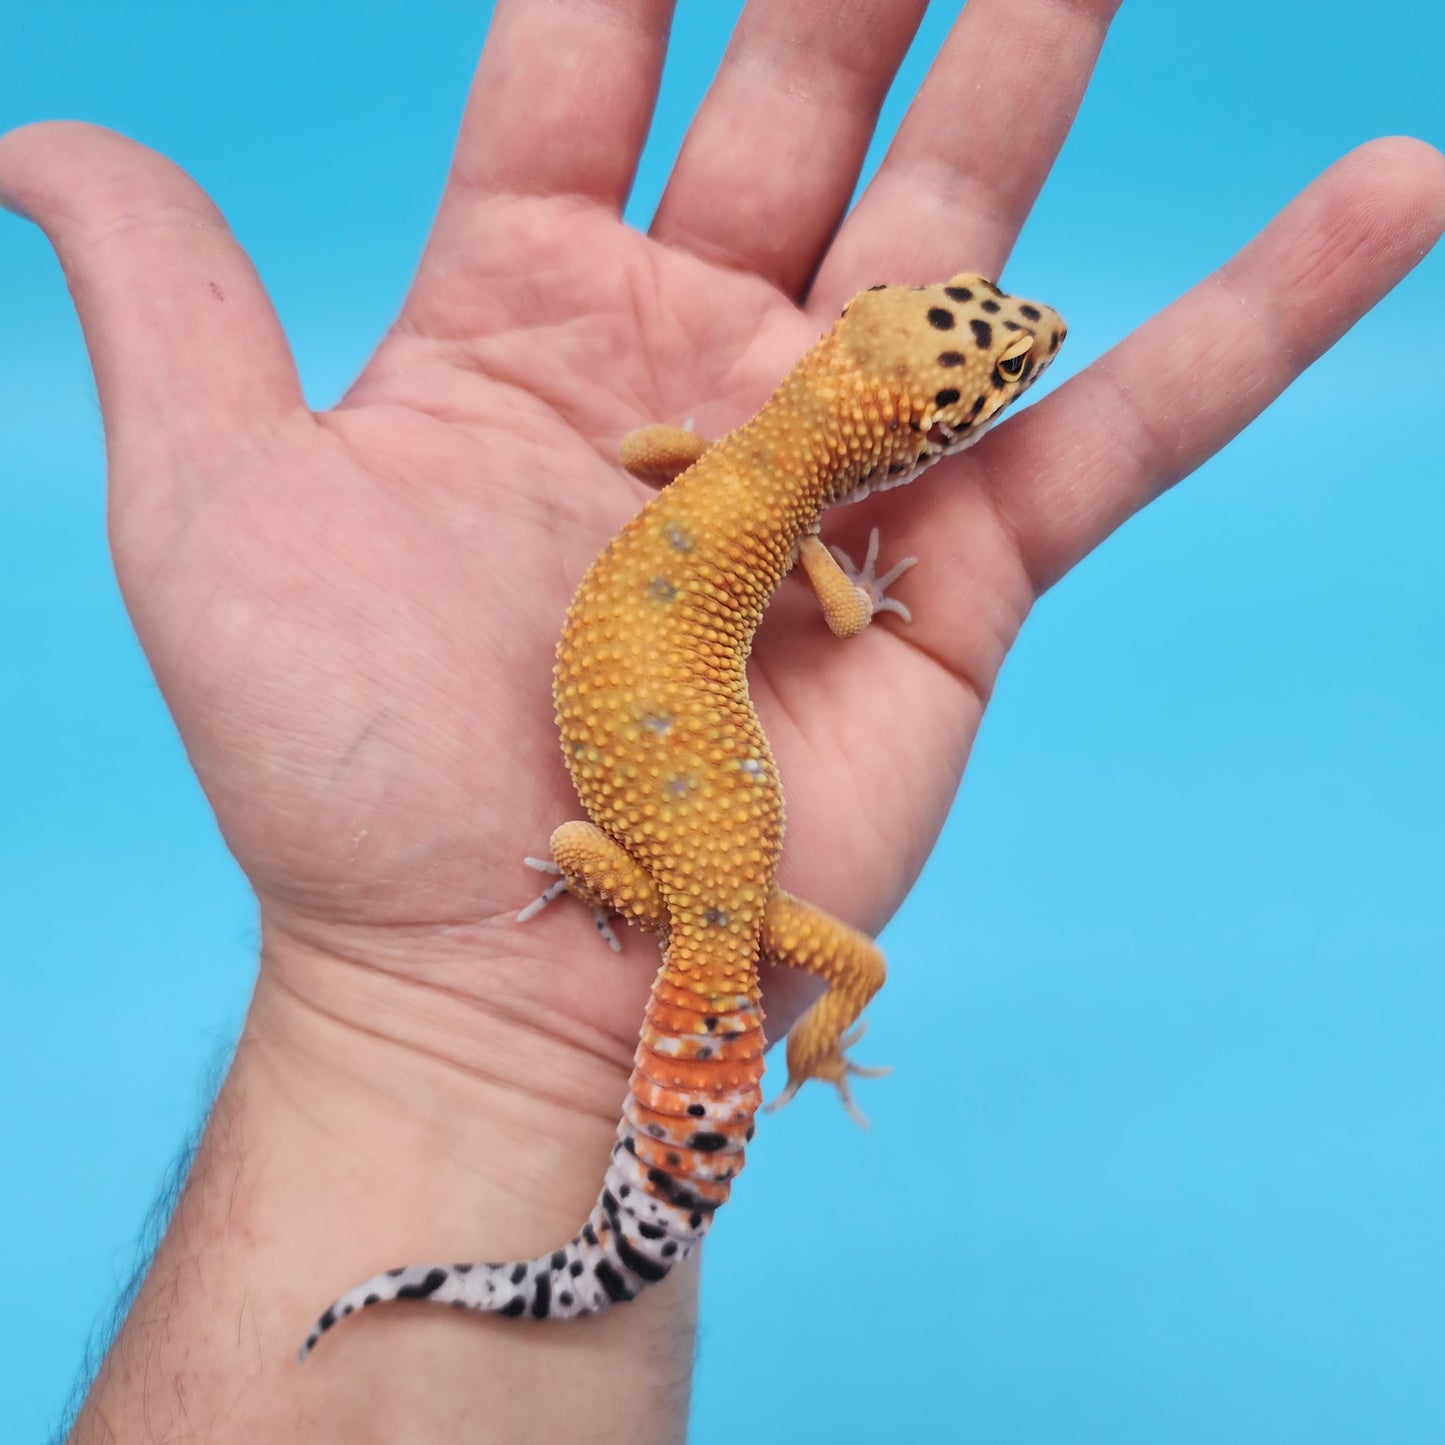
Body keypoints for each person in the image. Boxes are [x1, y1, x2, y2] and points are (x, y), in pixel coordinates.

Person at [5, 1, 1441, 1440]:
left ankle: (724, 1111)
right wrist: (852, 627)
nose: (1034, 342)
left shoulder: (729, 468)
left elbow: (648, 450)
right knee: (775, 938)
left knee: (786, 941)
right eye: (1000, 364)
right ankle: (801, 1067)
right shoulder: (795, 537)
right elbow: (839, 617)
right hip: (683, 877)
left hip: (676, 861)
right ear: (914, 436)